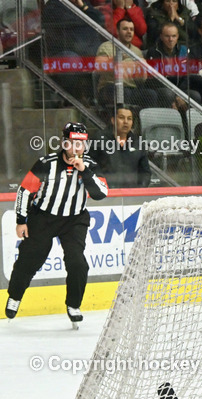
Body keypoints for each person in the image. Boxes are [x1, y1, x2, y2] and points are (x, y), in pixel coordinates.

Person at [6, 123, 108, 325]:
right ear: (64, 143)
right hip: (43, 218)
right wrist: (21, 220)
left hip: (74, 220)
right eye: (73, 144)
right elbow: (25, 191)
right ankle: (15, 297)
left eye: (81, 144)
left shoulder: (91, 165)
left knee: (78, 263)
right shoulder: (46, 163)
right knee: (30, 259)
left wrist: (84, 172)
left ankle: (73, 304)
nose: (77, 149)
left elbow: (101, 194)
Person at [92, 105, 152, 188]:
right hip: (107, 195)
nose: (126, 122)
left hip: (132, 196)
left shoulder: (137, 143)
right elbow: (90, 166)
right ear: (113, 120)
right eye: (121, 117)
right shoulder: (99, 139)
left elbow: (145, 172)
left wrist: (139, 190)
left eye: (129, 118)